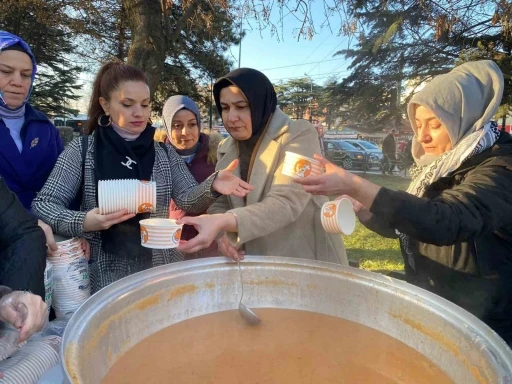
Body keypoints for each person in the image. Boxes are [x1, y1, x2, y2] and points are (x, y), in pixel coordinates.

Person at [294, 60, 512, 345]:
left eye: (435, 124)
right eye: (418, 124)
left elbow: (446, 221)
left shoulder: (500, 167)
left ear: (466, 118)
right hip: (439, 306)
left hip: (486, 322)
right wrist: (367, 210)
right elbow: (413, 224)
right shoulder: (439, 168)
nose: (422, 136)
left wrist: (355, 184)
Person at [32, 61, 253, 293]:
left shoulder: (163, 152)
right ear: (105, 105)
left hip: (161, 268)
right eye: (128, 104)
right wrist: (85, 221)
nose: (139, 113)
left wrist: (214, 184)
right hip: (104, 274)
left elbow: (188, 199)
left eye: (145, 105)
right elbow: (44, 204)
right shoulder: (84, 150)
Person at [177, 68, 347, 265]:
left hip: (304, 260)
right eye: (225, 108)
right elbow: (221, 203)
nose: (231, 117)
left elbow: (286, 202)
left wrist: (225, 221)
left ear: (261, 103)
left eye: (241, 106)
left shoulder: (298, 135)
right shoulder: (226, 147)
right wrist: (222, 235)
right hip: (252, 264)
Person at [0, 31, 66, 252]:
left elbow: (65, 187)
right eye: (5, 71)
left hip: (48, 245)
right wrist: (27, 222)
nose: (17, 82)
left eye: (26, 74)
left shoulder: (45, 128)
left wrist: (75, 228)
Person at [163, 95, 222, 259]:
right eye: (177, 125)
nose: (185, 132)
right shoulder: (157, 158)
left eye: (192, 124)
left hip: (211, 246)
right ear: (167, 126)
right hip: (173, 246)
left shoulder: (217, 155)